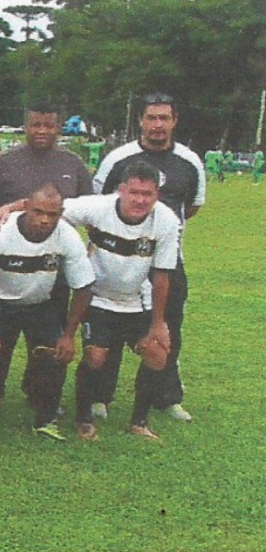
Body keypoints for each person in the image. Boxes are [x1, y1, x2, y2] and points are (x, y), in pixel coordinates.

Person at [0, 162, 180, 440]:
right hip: (98, 298)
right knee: (95, 356)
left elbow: (163, 275)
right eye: (134, 192)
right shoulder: (97, 207)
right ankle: (84, 418)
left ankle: (139, 421)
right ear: (121, 190)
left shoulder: (166, 221)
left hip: (136, 299)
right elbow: (49, 207)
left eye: (148, 194)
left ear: (157, 196)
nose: (140, 200)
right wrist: (7, 209)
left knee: (157, 353)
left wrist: (158, 323)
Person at [93, 92, 205, 423]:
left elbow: (192, 207)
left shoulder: (190, 161)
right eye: (151, 117)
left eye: (164, 118)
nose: (158, 124)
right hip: (120, 260)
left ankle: (165, 396)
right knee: (112, 327)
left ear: (174, 121)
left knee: (168, 329)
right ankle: (99, 396)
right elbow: (98, 205)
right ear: (140, 120)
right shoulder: (118, 159)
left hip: (167, 262)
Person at [0, 185, 94, 442]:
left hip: (39, 304)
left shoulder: (67, 236)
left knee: (55, 355)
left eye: (52, 214)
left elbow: (84, 287)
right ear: (26, 207)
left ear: (61, 213)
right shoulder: (0, 231)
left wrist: (68, 335)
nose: (44, 220)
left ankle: (45, 419)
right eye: (38, 211)